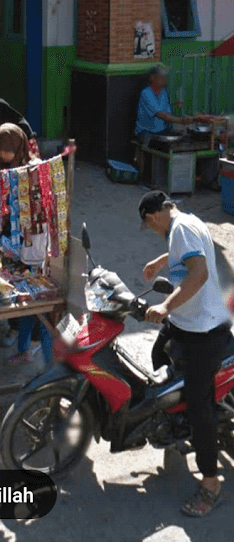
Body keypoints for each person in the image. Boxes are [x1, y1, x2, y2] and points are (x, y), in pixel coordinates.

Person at [140, 190, 231, 517]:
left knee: (198, 403)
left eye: (148, 226)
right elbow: (189, 255)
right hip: (185, 323)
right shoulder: (186, 221)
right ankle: (174, 424)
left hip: (204, 332)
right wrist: (161, 260)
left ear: (152, 217)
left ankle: (210, 484)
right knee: (158, 356)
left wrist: (165, 305)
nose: (152, 230)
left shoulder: (180, 229)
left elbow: (200, 272)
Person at [0, 124, 52, 368]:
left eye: (3, 150)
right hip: (23, 247)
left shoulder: (35, 170)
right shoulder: (17, 169)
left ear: (14, 147)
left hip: (37, 249)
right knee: (26, 305)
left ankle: (50, 368)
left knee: (43, 311)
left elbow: (42, 215)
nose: (0, 156)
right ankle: (25, 349)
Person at [135, 65, 193, 145]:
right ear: (153, 78)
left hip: (161, 130)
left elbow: (167, 116)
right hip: (146, 132)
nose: (164, 80)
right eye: (161, 78)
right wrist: (181, 121)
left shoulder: (164, 93)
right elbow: (161, 114)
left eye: (165, 78)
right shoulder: (146, 93)